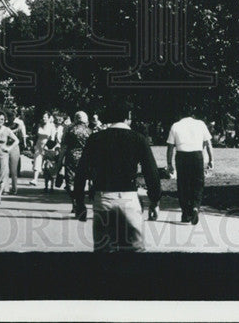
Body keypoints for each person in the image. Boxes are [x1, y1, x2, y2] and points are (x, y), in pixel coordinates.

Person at [73, 100, 161, 252]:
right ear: (128, 116)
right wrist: (155, 200)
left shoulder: (95, 139)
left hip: (103, 198)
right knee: (135, 251)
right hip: (129, 198)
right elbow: (151, 172)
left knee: (103, 252)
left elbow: (81, 172)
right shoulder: (139, 139)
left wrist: (79, 202)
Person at [166, 107, 214, 225]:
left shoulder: (175, 126)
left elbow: (170, 147)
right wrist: (211, 159)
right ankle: (195, 207)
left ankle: (185, 212)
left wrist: (169, 164)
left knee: (183, 184)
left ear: (180, 114)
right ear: (193, 114)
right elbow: (208, 144)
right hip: (197, 155)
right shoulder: (201, 124)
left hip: (181, 156)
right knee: (198, 183)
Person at [59, 111, 91, 209]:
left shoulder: (70, 130)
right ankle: (80, 202)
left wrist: (60, 162)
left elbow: (64, 146)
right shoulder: (89, 131)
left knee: (70, 181)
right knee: (81, 181)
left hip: (71, 157)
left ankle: (74, 203)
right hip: (84, 158)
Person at [31, 111, 57, 186]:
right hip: (39, 145)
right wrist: (33, 145)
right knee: (37, 161)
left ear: (49, 118)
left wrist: (47, 146)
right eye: (42, 117)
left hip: (48, 146)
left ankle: (50, 183)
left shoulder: (52, 127)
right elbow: (36, 136)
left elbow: (52, 139)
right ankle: (35, 179)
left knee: (49, 164)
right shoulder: (39, 125)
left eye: (45, 117)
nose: (43, 119)